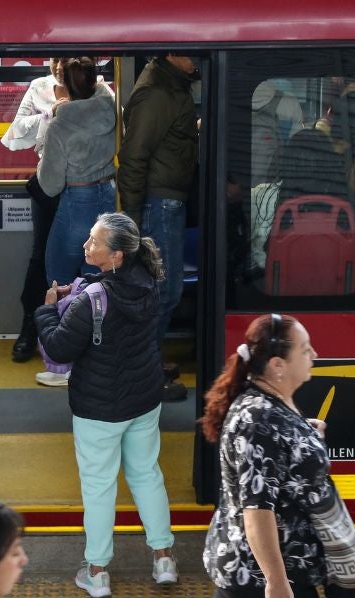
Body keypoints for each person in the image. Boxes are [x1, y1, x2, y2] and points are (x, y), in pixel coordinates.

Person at [179, 313, 355, 598]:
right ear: (277, 365)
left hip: (243, 563)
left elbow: (278, 464)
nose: (314, 355)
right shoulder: (256, 420)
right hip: (263, 568)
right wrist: (278, 585)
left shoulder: (276, 403)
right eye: (305, 350)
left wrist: (307, 435)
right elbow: (256, 513)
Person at [34, 213, 177, 598]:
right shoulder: (149, 283)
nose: (86, 246)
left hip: (99, 408)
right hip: (143, 399)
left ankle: (97, 571)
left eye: (94, 242)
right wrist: (81, 291)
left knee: (99, 486)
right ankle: (163, 558)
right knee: (147, 474)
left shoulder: (91, 303)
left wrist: (47, 308)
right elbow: (115, 301)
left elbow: (60, 346)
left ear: (115, 256)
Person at [118, 54, 200, 402]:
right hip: (157, 204)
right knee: (162, 294)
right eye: (190, 53)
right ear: (171, 54)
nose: (197, 60)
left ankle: (146, 363)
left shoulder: (172, 87)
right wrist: (133, 217)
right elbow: (134, 156)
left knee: (163, 293)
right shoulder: (157, 93)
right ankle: (141, 374)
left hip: (166, 200)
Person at [34, 58, 117, 387]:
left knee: (59, 280)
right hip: (109, 196)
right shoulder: (110, 107)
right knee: (99, 284)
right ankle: (97, 362)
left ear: (64, 87)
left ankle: (64, 365)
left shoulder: (61, 123)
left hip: (77, 200)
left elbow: (49, 184)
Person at [1, 58, 68, 363]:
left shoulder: (96, 89)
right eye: (54, 60)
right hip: (47, 180)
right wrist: (48, 114)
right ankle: (31, 326)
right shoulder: (39, 87)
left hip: (84, 182)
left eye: (64, 61)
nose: (58, 67)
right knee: (40, 255)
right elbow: (16, 132)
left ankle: (74, 331)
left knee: (84, 256)